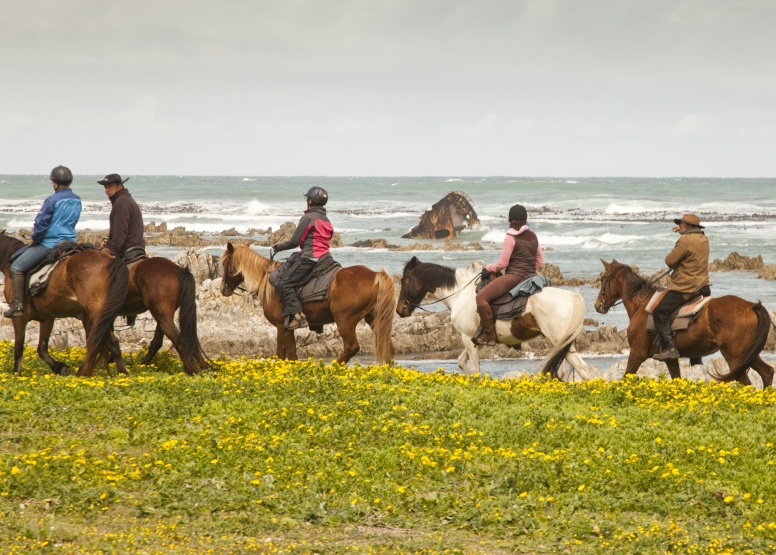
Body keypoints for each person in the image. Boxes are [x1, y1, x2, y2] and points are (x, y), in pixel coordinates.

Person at [3, 166, 82, 318]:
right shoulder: (76, 199)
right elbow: (74, 220)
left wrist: (36, 239)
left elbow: (42, 223)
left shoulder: (52, 200)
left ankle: (18, 305)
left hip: (50, 244)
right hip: (71, 243)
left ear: (54, 183)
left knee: (16, 267)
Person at [474, 204, 543, 346]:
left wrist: (488, 268)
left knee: (481, 297)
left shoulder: (510, 237)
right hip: (531, 277)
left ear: (510, 220)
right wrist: (529, 270)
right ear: (525, 219)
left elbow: (502, 264)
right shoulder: (533, 236)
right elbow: (540, 260)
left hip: (514, 277)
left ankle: (489, 334)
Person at [270, 186, 334, 330]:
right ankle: (318, 322)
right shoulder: (327, 220)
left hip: (310, 258)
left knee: (286, 283)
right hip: (326, 259)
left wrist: (278, 247)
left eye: (308, 199)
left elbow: (295, 242)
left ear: (311, 201)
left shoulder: (308, 217)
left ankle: (299, 317)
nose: (307, 201)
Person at [652, 213, 711, 361]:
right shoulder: (704, 239)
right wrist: (683, 230)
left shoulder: (684, 240)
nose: (680, 225)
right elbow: (691, 245)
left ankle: (671, 349)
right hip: (703, 286)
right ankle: (696, 357)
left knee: (659, 311)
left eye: (682, 223)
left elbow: (670, 260)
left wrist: (682, 235)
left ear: (689, 226)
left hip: (686, 287)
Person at [98, 174, 146, 260]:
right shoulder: (124, 199)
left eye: (110, 186)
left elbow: (120, 231)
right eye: (105, 187)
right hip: (135, 245)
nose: (107, 189)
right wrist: (109, 242)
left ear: (119, 185)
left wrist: (113, 252)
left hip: (127, 248)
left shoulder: (121, 202)